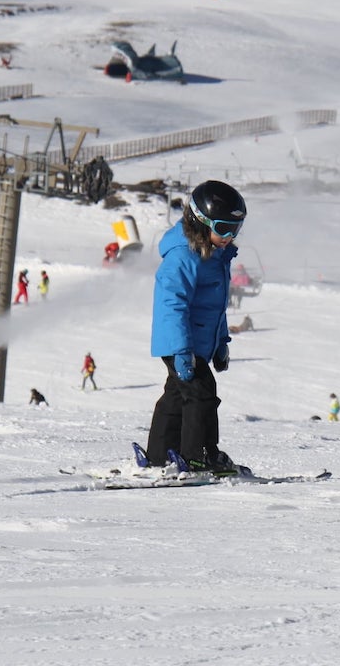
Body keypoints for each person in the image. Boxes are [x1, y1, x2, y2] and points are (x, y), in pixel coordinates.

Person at [145, 180, 246, 474]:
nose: (229, 237)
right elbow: (171, 305)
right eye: (223, 228)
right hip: (180, 343)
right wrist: (181, 349)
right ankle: (198, 456)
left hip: (195, 344)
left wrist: (221, 342)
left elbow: (213, 306)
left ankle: (160, 456)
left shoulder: (214, 256)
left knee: (177, 397)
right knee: (202, 393)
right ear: (201, 222)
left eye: (235, 229)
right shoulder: (183, 257)